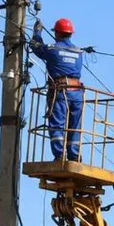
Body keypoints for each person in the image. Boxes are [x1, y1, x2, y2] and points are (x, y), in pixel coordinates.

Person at [29, 18, 93, 162]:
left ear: (57, 33)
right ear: (70, 34)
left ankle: (59, 155)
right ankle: (74, 155)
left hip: (61, 91)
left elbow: (35, 47)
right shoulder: (78, 52)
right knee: (74, 125)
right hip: (77, 93)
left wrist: (37, 32)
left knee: (57, 123)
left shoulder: (52, 49)